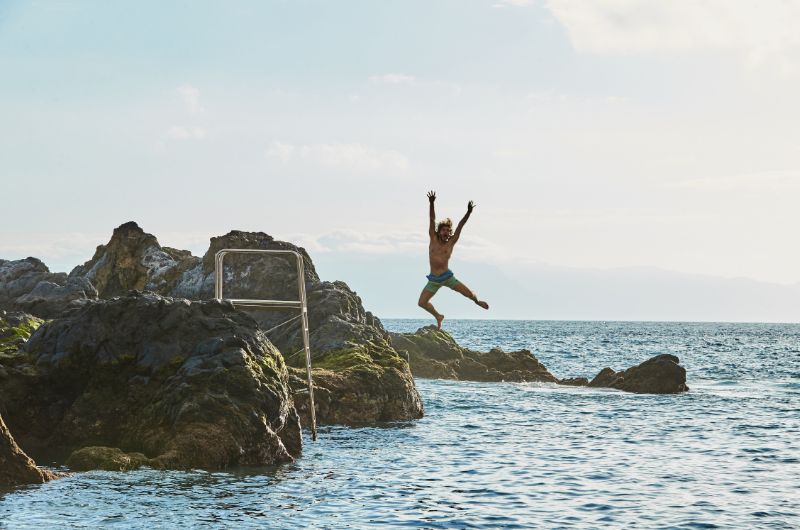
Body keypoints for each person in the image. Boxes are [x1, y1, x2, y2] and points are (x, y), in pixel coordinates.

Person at [418, 190, 489, 328]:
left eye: (448, 231)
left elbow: (460, 226)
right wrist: (431, 203)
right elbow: (432, 220)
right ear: (439, 231)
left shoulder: (451, 243)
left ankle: (478, 301)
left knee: (469, 294)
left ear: (450, 233)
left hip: (447, 277)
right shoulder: (433, 238)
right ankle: (438, 316)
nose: (446, 233)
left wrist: (468, 213)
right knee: (421, 303)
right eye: (443, 230)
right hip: (433, 279)